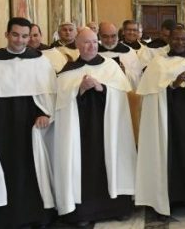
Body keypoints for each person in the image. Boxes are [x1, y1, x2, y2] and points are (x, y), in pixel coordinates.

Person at [0, 17, 57, 228]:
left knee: (34, 170)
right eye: (15, 35)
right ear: (7, 34)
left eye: (25, 36)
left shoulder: (40, 62)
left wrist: (44, 113)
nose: (20, 40)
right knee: (5, 172)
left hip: (32, 127)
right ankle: (7, 219)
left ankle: (38, 216)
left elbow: (47, 96)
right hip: (3, 129)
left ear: (30, 37)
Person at [52, 28, 136, 226]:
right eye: (86, 43)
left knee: (114, 162)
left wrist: (101, 87)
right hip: (80, 133)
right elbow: (61, 103)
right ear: (78, 45)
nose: (91, 46)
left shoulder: (111, 67)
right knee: (83, 167)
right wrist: (79, 89)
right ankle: (83, 212)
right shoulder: (68, 71)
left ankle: (118, 207)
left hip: (110, 129)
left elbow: (122, 94)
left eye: (94, 42)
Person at [136, 27, 185, 217]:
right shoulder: (158, 63)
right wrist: (173, 84)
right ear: (169, 40)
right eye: (176, 39)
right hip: (167, 122)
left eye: (184, 39)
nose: (180, 43)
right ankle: (167, 200)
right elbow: (152, 94)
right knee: (167, 158)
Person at [98, 22, 143, 89]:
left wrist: (125, 73)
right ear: (99, 36)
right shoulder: (93, 52)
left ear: (118, 36)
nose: (109, 40)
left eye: (113, 36)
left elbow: (138, 77)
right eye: (105, 36)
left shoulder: (129, 52)